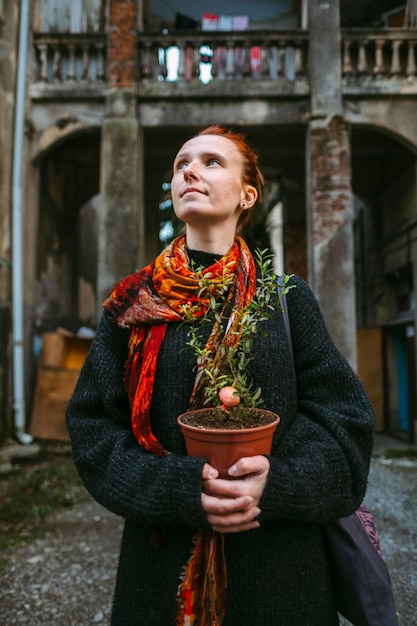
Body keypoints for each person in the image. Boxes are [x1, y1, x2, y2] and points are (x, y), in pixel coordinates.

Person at [65, 124, 375, 625]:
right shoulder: (132, 305)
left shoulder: (287, 298)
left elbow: (347, 425)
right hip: (160, 579)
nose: (189, 169)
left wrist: (278, 483)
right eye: (181, 164)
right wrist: (182, 489)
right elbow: (94, 430)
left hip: (284, 578)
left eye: (212, 161)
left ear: (247, 194)